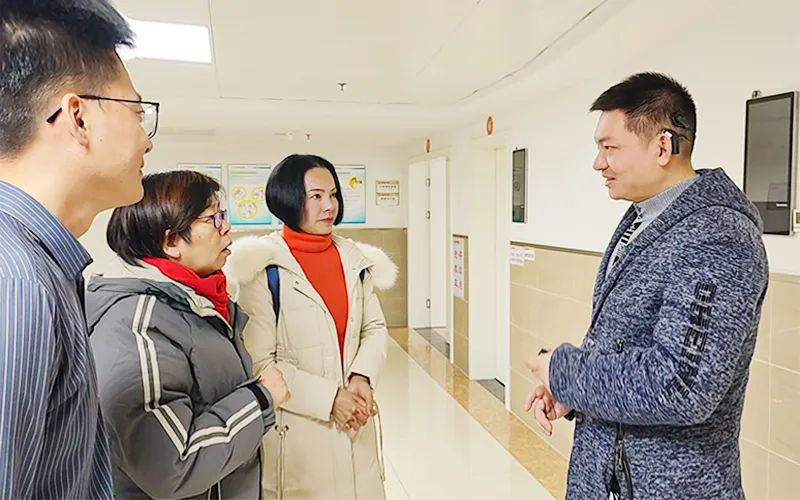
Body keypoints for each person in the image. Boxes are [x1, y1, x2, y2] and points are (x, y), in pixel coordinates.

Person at [525, 73, 769, 499]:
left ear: (661, 147)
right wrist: (575, 394)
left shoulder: (717, 236)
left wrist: (564, 371)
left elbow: (681, 386)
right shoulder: (644, 218)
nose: (598, 163)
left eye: (609, 148)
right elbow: (627, 348)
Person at [0, 0, 155, 497]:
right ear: (78, 118)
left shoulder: (39, 266)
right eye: (137, 112)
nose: (147, 141)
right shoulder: (18, 283)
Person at [86, 171, 290, 499]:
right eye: (214, 219)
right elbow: (170, 465)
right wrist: (260, 399)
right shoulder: (138, 324)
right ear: (171, 242)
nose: (227, 227)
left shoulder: (200, 303)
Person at [225, 154, 396, 499]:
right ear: (288, 199)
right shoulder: (263, 267)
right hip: (300, 432)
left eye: (333, 194)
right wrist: (331, 399)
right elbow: (260, 361)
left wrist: (362, 377)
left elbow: (374, 327)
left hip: (357, 422)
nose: (329, 205)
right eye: (315, 196)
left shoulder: (354, 260)